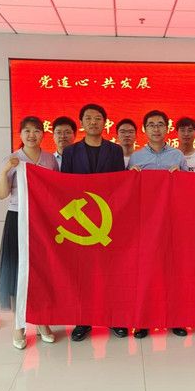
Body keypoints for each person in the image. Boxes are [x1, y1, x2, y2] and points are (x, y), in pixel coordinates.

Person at [60, 103, 128, 341]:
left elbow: (120, 184)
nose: (93, 122)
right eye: (88, 118)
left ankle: (114, 318)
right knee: (82, 274)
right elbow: (64, 186)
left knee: (111, 271)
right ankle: (83, 320)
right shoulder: (70, 152)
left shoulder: (115, 150)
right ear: (81, 123)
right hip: (81, 221)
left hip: (108, 218)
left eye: (98, 118)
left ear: (104, 122)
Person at [0, 116, 58, 349]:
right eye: (27, 131)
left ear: (43, 133)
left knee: (42, 272)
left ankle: (42, 322)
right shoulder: (13, 159)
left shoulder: (50, 159)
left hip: (43, 221)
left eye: (37, 131)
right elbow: (1, 194)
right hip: (18, 218)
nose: (32, 135)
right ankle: (19, 326)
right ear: (20, 135)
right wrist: (5, 171)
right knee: (18, 272)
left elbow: (56, 189)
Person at [129, 109, 188, 339]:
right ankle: (143, 321)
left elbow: (190, 189)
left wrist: (181, 176)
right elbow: (128, 193)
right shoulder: (136, 158)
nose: (156, 129)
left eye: (160, 124)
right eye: (151, 125)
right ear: (144, 129)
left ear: (167, 128)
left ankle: (176, 319)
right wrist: (132, 177)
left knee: (173, 272)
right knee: (145, 273)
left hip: (173, 222)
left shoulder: (177, 156)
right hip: (144, 224)